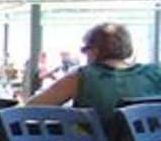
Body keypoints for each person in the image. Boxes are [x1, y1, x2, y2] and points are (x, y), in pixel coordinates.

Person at [24, 21, 161, 114]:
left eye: (84, 49)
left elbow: (29, 109)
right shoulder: (155, 73)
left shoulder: (83, 76)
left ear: (94, 51)